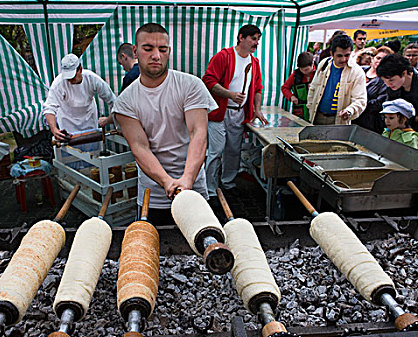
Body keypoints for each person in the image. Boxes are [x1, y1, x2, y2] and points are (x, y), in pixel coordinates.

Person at [112, 23, 217, 226]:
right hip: (153, 195)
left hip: (193, 188)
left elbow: (198, 133)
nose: (156, 56)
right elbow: (139, 147)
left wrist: (187, 179)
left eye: (162, 49)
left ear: (169, 51)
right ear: (135, 51)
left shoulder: (191, 85)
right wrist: (167, 182)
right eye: (148, 48)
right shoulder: (125, 101)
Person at [202, 24, 268, 202]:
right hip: (218, 113)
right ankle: (210, 190)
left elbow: (258, 88)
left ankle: (228, 183)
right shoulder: (223, 56)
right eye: (253, 39)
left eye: (258, 40)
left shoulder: (254, 62)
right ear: (241, 37)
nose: (256, 43)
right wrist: (230, 94)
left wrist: (257, 109)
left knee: (233, 151)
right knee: (215, 151)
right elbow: (208, 80)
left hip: (239, 115)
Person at [43, 53, 116, 142]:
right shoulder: (59, 83)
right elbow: (49, 108)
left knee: (93, 151)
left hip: (89, 119)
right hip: (67, 121)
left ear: (80, 69)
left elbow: (112, 100)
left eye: (72, 77)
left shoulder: (92, 78)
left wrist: (114, 120)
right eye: (67, 78)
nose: (70, 81)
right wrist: (54, 129)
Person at [307, 34, 367, 125]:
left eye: (347, 55)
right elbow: (313, 88)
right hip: (317, 116)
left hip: (338, 121)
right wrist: (310, 106)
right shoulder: (324, 64)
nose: (343, 59)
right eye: (339, 56)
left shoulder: (357, 72)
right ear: (332, 53)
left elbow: (360, 100)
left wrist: (350, 111)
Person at [352, 46, 394, 133]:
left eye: (383, 59)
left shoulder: (385, 80)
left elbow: (378, 103)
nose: (379, 61)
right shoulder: (360, 70)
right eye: (378, 58)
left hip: (368, 123)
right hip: (351, 116)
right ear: (373, 58)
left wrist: (359, 102)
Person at [281, 51, 316, 120]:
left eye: (306, 69)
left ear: (312, 64)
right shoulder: (295, 75)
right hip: (300, 110)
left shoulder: (320, 73)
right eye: (302, 70)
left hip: (315, 107)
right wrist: (291, 97)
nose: (304, 72)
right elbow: (284, 88)